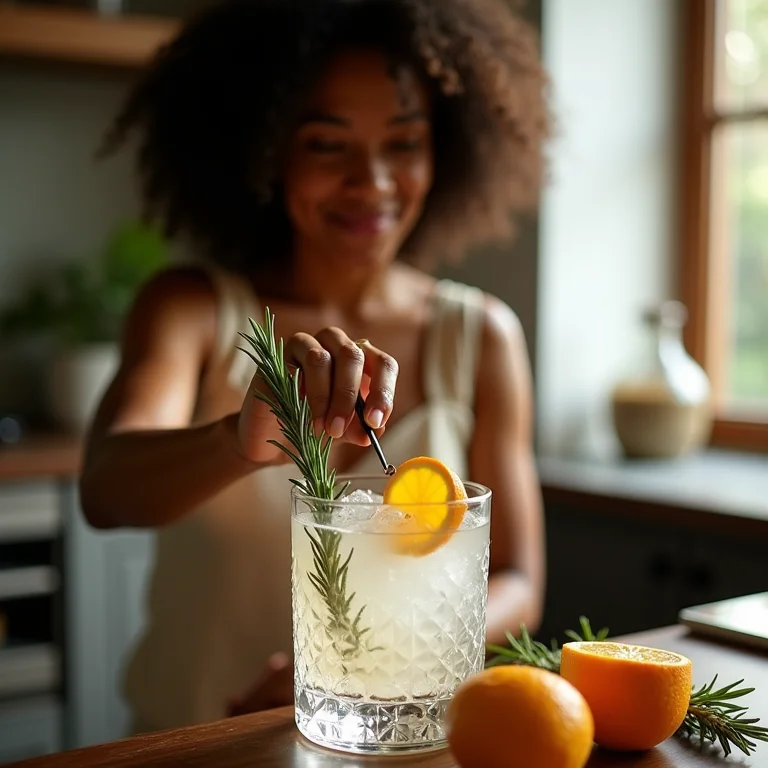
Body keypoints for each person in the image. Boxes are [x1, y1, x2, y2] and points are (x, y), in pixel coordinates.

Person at [80, 0, 550, 734]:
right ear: (265, 151)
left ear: (446, 150)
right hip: (193, 744)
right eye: (327, 145)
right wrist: (234, 444)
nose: (373, 181)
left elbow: (518, 579)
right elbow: (105, 490)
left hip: (389, 742)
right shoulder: (193, 310)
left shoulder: (481, 336)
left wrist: (361, 663)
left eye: (404, 142)